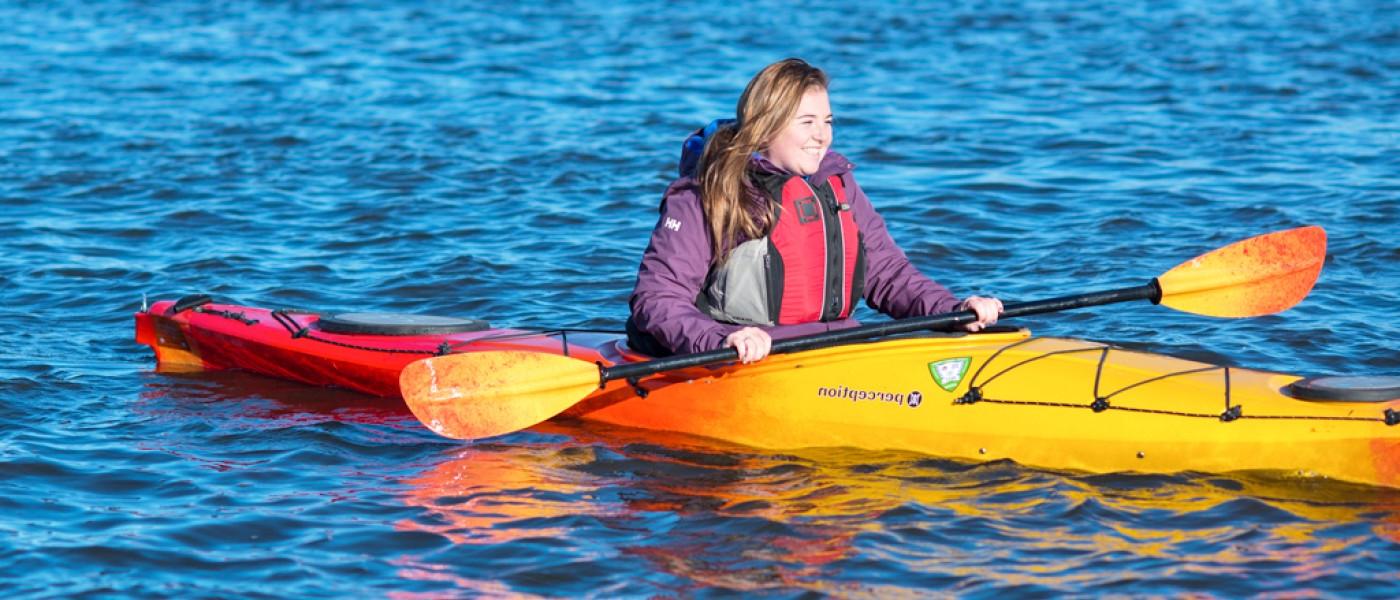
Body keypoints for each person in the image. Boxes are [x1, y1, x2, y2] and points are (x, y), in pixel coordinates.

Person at [627, 58, 1002, 363]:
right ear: (765, 128)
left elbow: (887, 273)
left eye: (827, 122)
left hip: (832, 351)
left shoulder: (836, 185)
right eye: (807, 123)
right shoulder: (705, 195)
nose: (822, 136)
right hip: (746, 359)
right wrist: (720, 339)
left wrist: (954, 309)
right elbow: (657, 298)